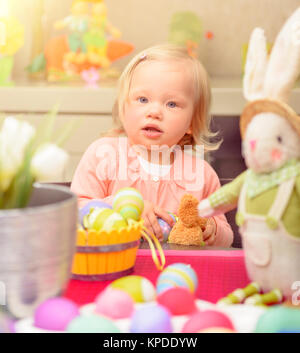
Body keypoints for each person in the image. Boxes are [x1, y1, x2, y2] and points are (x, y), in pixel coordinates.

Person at [71, 44, 233, 246]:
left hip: (178, 272)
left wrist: (211, 229)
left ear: (191, 122)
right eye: (142, 99)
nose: (154, 112)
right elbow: (75, 212)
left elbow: (227, 238)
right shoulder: (103, 155)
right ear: (123, 109)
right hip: (115, 266)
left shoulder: (202, 174)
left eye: (171, 104)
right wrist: (123, 205)